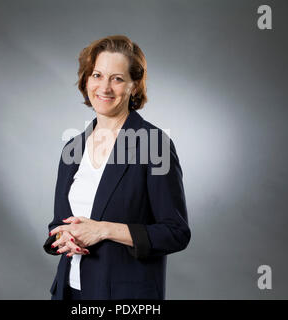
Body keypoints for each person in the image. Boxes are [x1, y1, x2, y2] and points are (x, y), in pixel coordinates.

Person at [44, 35, 191, 300]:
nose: (104, 87)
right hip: (70, 292)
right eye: (97, 75)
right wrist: (63, 238)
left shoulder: (153, 145)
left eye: (117, 78)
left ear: (134, 86)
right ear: (86, 80)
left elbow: (175, 233)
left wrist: (103, 229)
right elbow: (59, 223)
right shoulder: (72, 148)